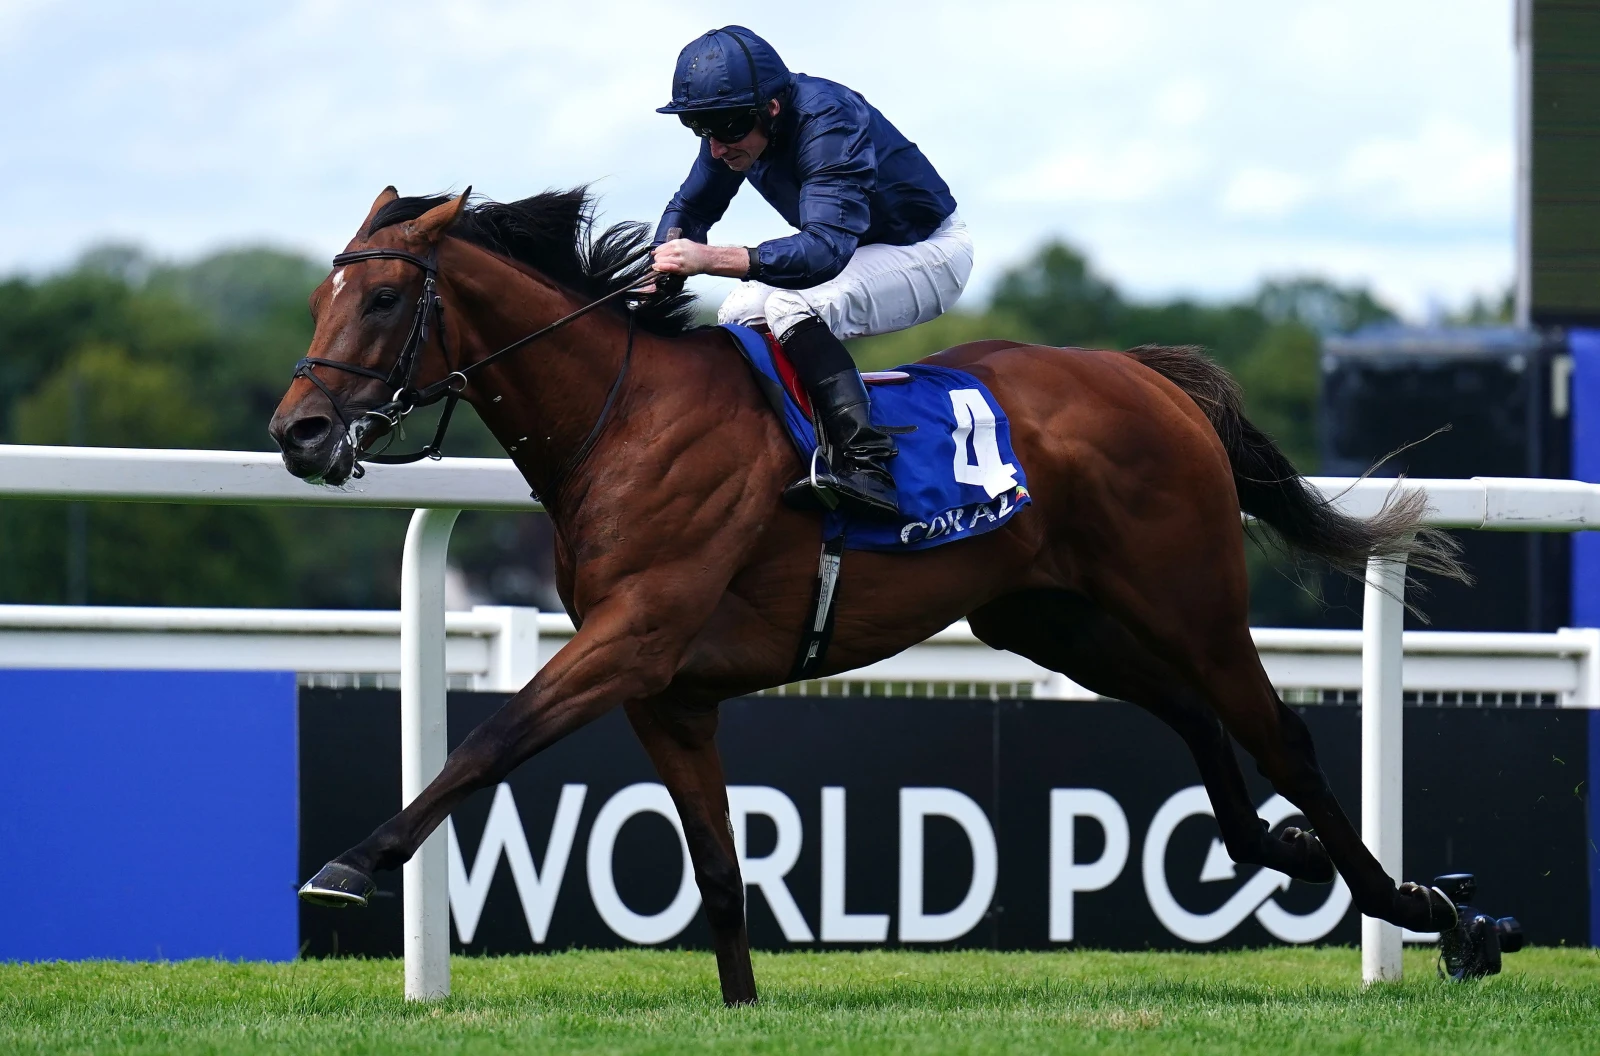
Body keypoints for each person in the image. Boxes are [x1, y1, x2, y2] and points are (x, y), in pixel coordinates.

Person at [651, 26, 972, 520]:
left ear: (771, 109)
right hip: (859, 253)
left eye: (725, 128)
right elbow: (690, 209)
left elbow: (824, 251)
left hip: (928, 251)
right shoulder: (737, 128)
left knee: (788, 304)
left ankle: (868, 467)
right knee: (739, 311)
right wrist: (663, 264)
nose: (715, 148)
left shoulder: (829, 119)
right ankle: (773, 448)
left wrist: (710, 260)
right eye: (700, 128)